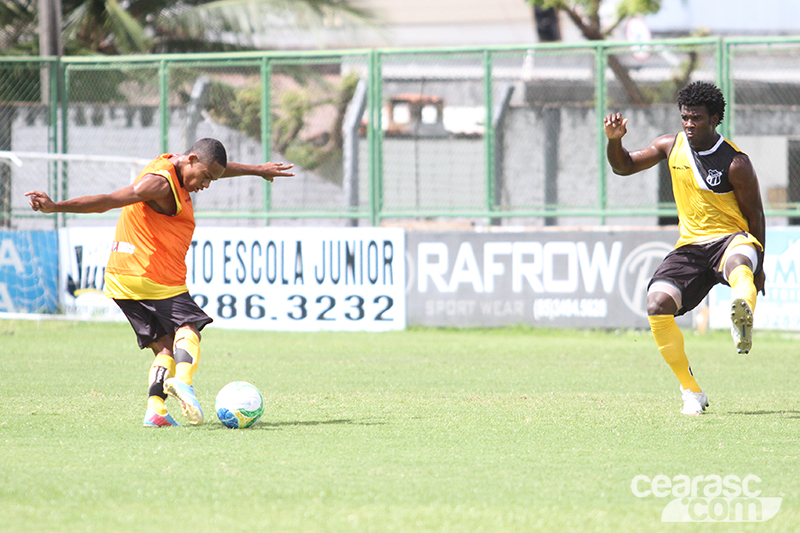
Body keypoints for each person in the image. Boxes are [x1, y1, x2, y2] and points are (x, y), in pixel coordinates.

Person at [26, 138, 294, 427]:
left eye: (212, 179)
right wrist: (56, 207)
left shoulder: (178, 164)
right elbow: (107, 201)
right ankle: (184, 382)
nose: (206, 185)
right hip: (154, 275)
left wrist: (257, 169)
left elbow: (216, 167)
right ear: (191, 159)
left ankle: (156, 410)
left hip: (121, 278)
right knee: (189, 327)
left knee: (164, 348)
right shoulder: (160, 185)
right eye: (205, 177)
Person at [604, 81, 766, 416]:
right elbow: (623, 166)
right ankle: (691, 392)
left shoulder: (736, 163)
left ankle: (741, 314)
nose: (689, 124)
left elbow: (755, 215)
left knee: (741, 263)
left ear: (715, 118)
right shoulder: (670, 145)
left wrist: (759, 264)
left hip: (730, 239)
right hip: (691, 247)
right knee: (656, 304)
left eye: (697, 118)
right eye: (685, 117)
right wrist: (615, 141)